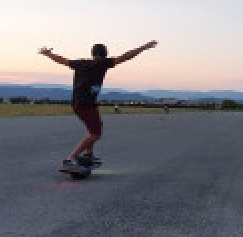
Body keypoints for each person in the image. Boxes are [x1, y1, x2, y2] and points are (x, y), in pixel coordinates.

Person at [39, 40, 157, 168]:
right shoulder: (102, 63)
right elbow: (126, 56)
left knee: (95, 128)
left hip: (78, 102)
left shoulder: (80, 63)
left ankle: (89, 155)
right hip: (85, 104)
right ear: (105, 54)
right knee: (95, 134)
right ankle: (70, 159)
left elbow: (62, 60)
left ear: (93, 53)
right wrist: (144, 47)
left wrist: (48, 54)